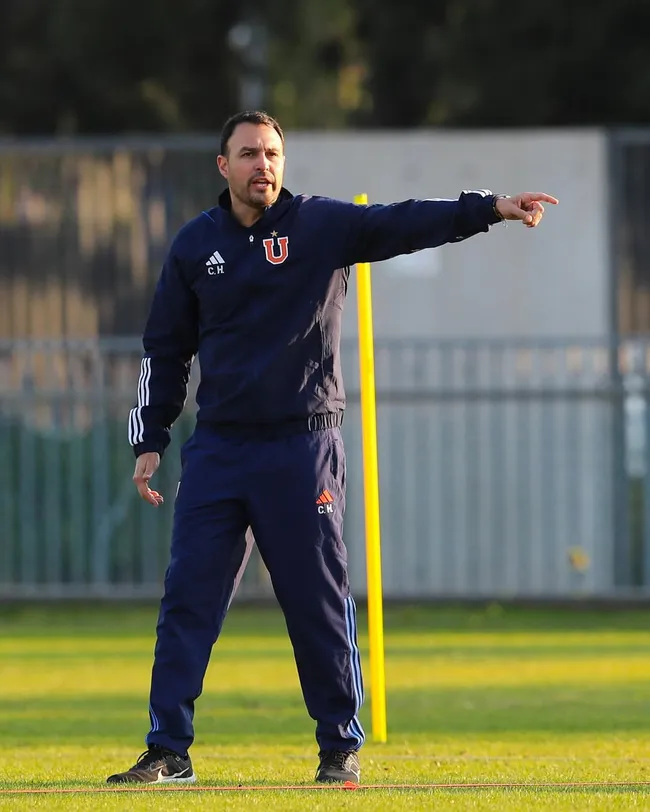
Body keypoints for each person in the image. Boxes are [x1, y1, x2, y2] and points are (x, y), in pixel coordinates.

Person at [107, 110, 558, 786]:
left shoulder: (320, 227)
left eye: (273, 154)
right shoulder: (195, 246)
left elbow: (407, 222)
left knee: (316, 599)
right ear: (222, 166)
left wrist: (491, 207)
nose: (263, 165)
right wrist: (150, 438)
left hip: (302, 447)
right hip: (220, 451)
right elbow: (164, 350)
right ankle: (168, 750)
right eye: (249, 154)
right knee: (187, 600)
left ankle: (338, 749)